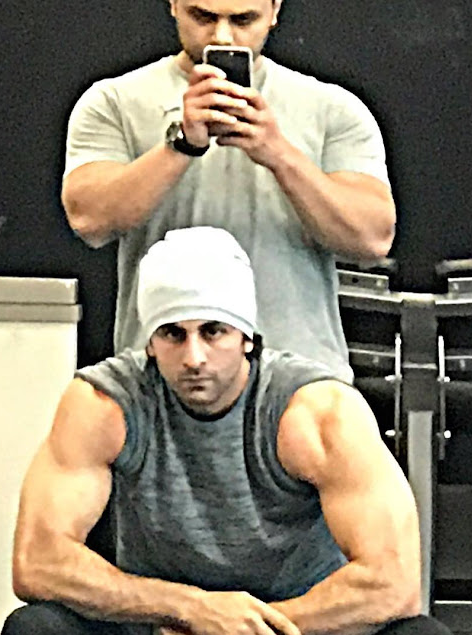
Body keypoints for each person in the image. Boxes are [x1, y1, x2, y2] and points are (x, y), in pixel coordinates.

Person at [1, 227, 452, 635]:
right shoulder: (106, 404)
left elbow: (393, 583)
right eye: (173, 334)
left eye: (213, 331)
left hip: (297, 628)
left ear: (247, 337)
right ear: (150, 343)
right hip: (165, 630)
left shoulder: (317, 412)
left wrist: (243, 631)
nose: (194, 357)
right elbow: (38, 562)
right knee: (35, 630)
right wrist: (190, 610)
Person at [61, 0, 397, 382]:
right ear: (174, 4)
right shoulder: (113, 102)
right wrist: (181, 146)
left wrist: (280, 155)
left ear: (274, 10)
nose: (222, 36)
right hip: (162, 382)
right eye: (202, 16)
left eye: (243, 20)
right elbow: (89, 219)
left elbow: (372, 238)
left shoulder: (333, 108)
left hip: (299, 384)